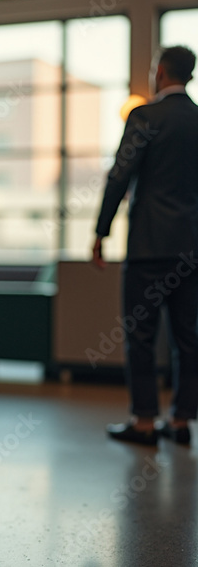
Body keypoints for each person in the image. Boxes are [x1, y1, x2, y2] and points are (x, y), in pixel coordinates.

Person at [95, 45, 198, 446]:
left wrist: (101, 231)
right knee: (187, 337)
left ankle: (144, 422)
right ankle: (182, 420)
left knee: (141, 335)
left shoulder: (145, 117)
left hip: (149, 247)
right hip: (191, 247)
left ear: (160, 73)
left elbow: (119, 177)